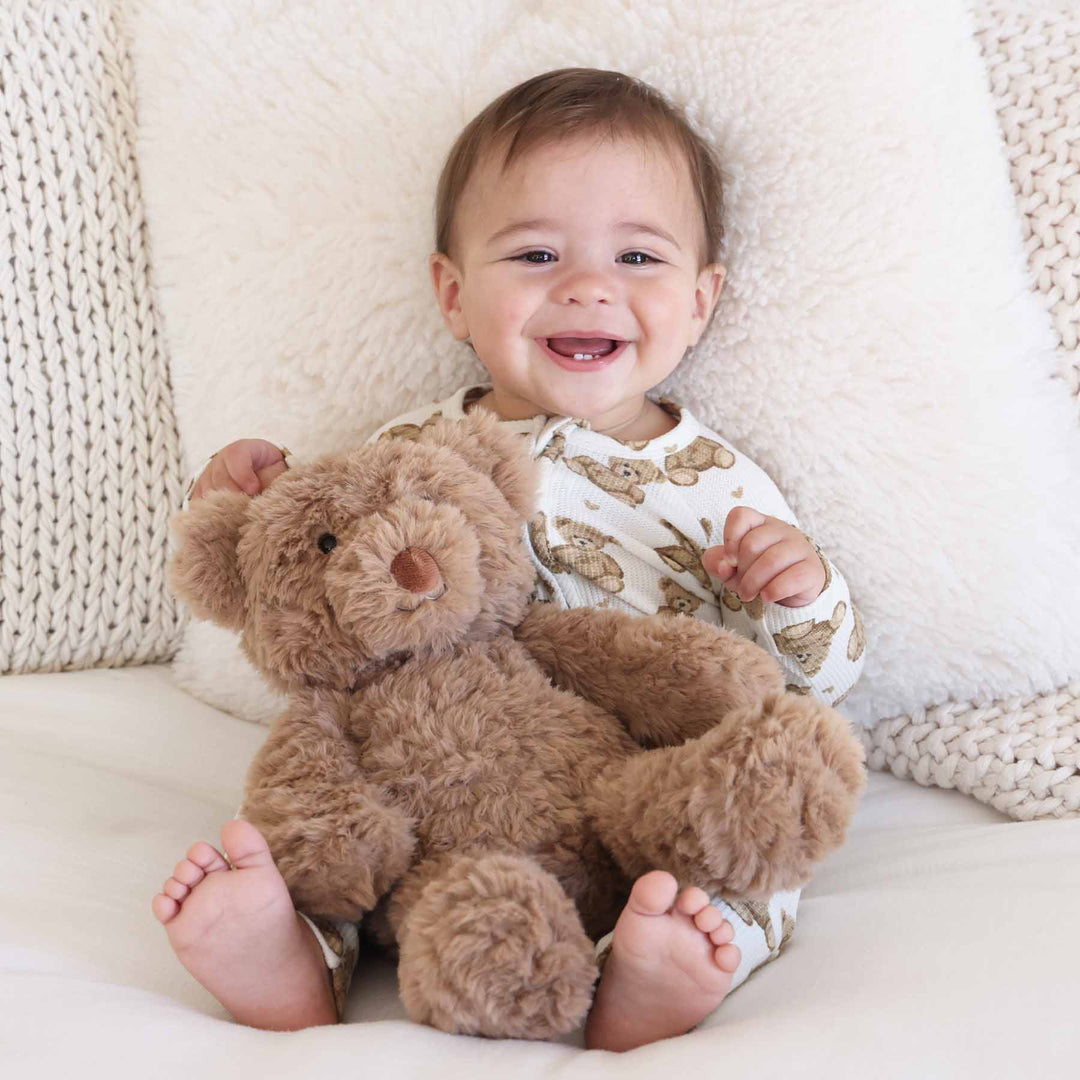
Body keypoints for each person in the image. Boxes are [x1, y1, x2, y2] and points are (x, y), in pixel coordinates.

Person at [152, 67, 865, 1051]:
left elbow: (809, 680)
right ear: (454, 294)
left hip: (634, 785)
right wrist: (234, 507)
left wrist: (798, 592)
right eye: (536, 254)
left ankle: (651, 968)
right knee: (334, 840)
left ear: (701, 302)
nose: (588, 286)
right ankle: (291, 956)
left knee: (744, 847)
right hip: (435, 782)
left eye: (637, 256)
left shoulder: (718, 483)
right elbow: (303, 585)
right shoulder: (411, 451)